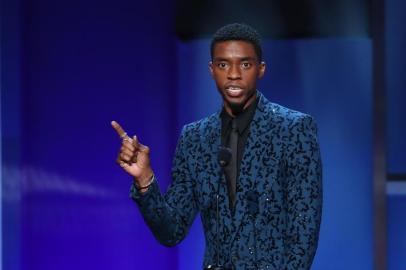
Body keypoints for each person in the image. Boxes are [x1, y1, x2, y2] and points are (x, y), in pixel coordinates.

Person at [112, 23, 322, 270]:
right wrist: (145, 179)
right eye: (223, 65)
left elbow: (304, 230)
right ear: (212, 70)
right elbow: (171, 231)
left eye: (245, 64)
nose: (234, 74)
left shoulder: (293, 129)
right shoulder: (195, 138)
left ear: (260, 69)